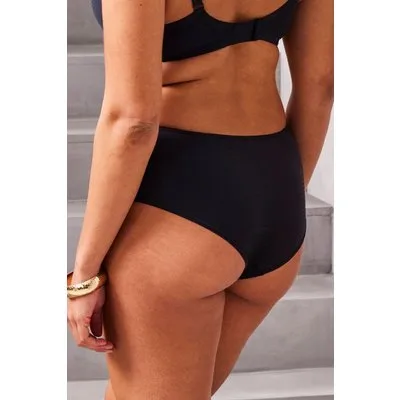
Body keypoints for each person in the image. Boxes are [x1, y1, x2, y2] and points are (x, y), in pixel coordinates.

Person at [67, 0, 333, 398]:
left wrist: (84, 276)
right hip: (274, 192)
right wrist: (280, 199)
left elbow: (133, 122)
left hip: (181, 204)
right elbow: (320, 88)